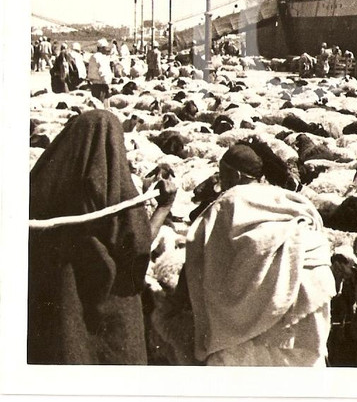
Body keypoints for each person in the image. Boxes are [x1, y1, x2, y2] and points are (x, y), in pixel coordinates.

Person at [27, 110, 176, 364]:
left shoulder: (40, 190)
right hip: (106, 326)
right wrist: (164, 206)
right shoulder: (113, 195)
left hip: (55, 319)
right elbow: (137, 249)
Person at [184, 145, 337, 366]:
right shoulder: (289, 198)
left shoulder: (229, 201)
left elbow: (204, 252)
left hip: (279, 291)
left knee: (244, 356)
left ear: (235, 175)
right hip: (313, 287)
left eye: (222, 174)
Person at [86, 39, 114, 103]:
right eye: (105, 48)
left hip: (94, 85)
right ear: (101, 48)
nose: (107, 50)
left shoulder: (93, 57)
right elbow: (103, 71)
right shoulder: (101, 57)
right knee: (102, 105)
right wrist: (107, 84)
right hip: (101, 86)